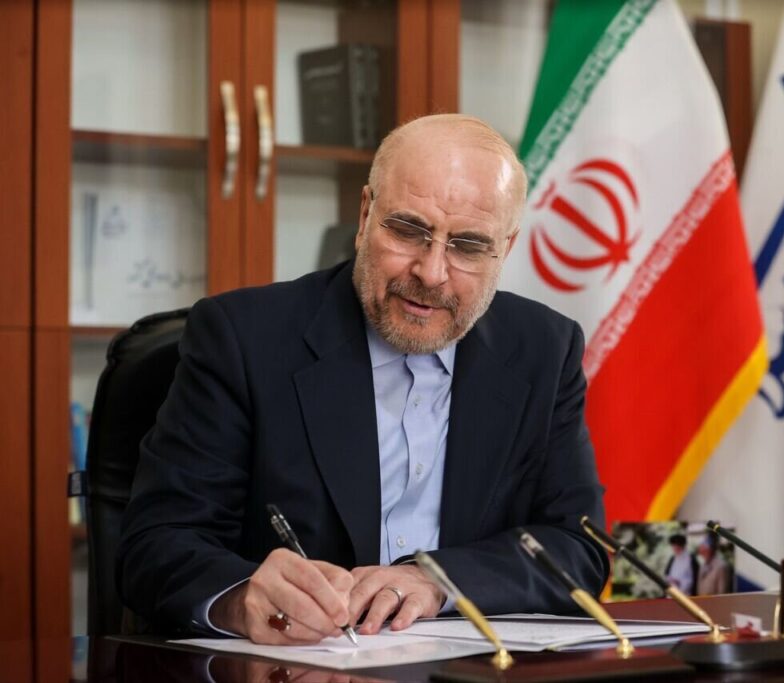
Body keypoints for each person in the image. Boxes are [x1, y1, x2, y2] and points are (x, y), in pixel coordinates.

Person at [116, 114, 608, 643]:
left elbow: (577, 549)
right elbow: (156, 544)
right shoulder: (243, 339)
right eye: (409, 230)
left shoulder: (544, 349)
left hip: (466, 668)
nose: (431, 273)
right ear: (365, 213)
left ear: (504, 250)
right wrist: (240, 598)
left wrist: (439, 580)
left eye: (467, 246)